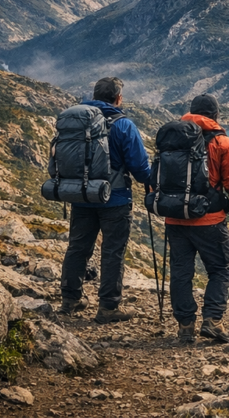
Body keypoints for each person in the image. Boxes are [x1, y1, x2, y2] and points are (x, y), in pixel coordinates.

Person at [166, 93, 229, 343]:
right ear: (215, 115)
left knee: (180, 272)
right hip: (209, 220)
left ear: (191, 112)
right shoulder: (222, 143)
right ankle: (213, 321)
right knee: (219, 269)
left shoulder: (172, 138)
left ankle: (185, 327)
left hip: (174, 218)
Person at [58, 76, 152, 323]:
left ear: (94, 95)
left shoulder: (78, 121)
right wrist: (151, 181)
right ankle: (109, 307)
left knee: (78, 247)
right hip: (115, 199)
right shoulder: (123, 125)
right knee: (112, 252)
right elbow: (140, 167)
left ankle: (70, 300)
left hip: (81, 196)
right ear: (118, 98)